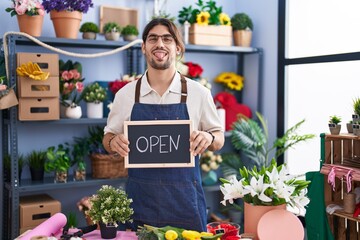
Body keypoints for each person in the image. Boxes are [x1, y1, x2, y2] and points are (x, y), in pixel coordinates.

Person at [102, 18, 224, 232]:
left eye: (167, 39)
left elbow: (218, 137)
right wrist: (114, 142)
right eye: (153, 39)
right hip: (139, 204)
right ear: (143, 47)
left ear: (177, 48)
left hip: (186, 204)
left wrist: (209, 137)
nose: (160, 44)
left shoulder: (199, 93)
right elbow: (107, 137)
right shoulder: (125, 95)